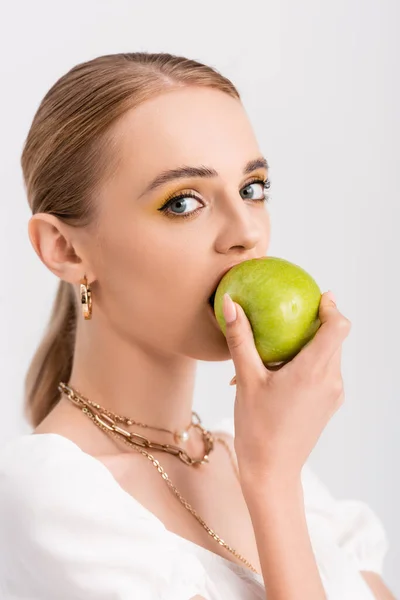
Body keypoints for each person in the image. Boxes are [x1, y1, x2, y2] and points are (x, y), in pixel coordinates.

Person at [0, 52, 394, 600]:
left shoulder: (264, 460)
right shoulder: (47, 494)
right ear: (64, 249)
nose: (246, 233)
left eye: (253, 188)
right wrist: (273, 484)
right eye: (183, 202)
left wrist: (276, 471)